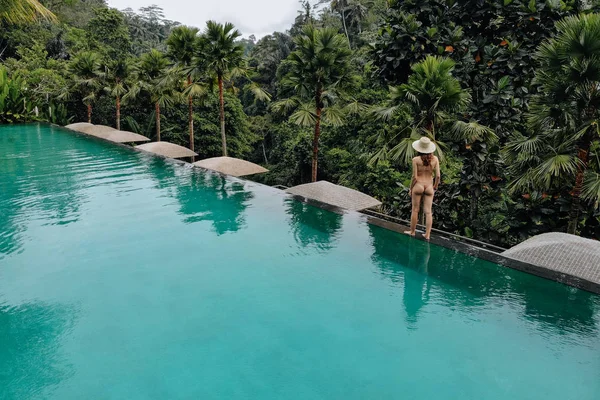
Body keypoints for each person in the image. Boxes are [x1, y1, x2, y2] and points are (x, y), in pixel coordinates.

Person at [405, 137, 440, 240]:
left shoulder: (416, 160)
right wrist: (435, 187)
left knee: (415, 210)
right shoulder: (435, 159)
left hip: (418, 185)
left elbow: (414, 177)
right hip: (429, 185)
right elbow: (438, 176)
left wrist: (411, 189)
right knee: (428, 212)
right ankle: (427, 235)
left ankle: (412, 232)